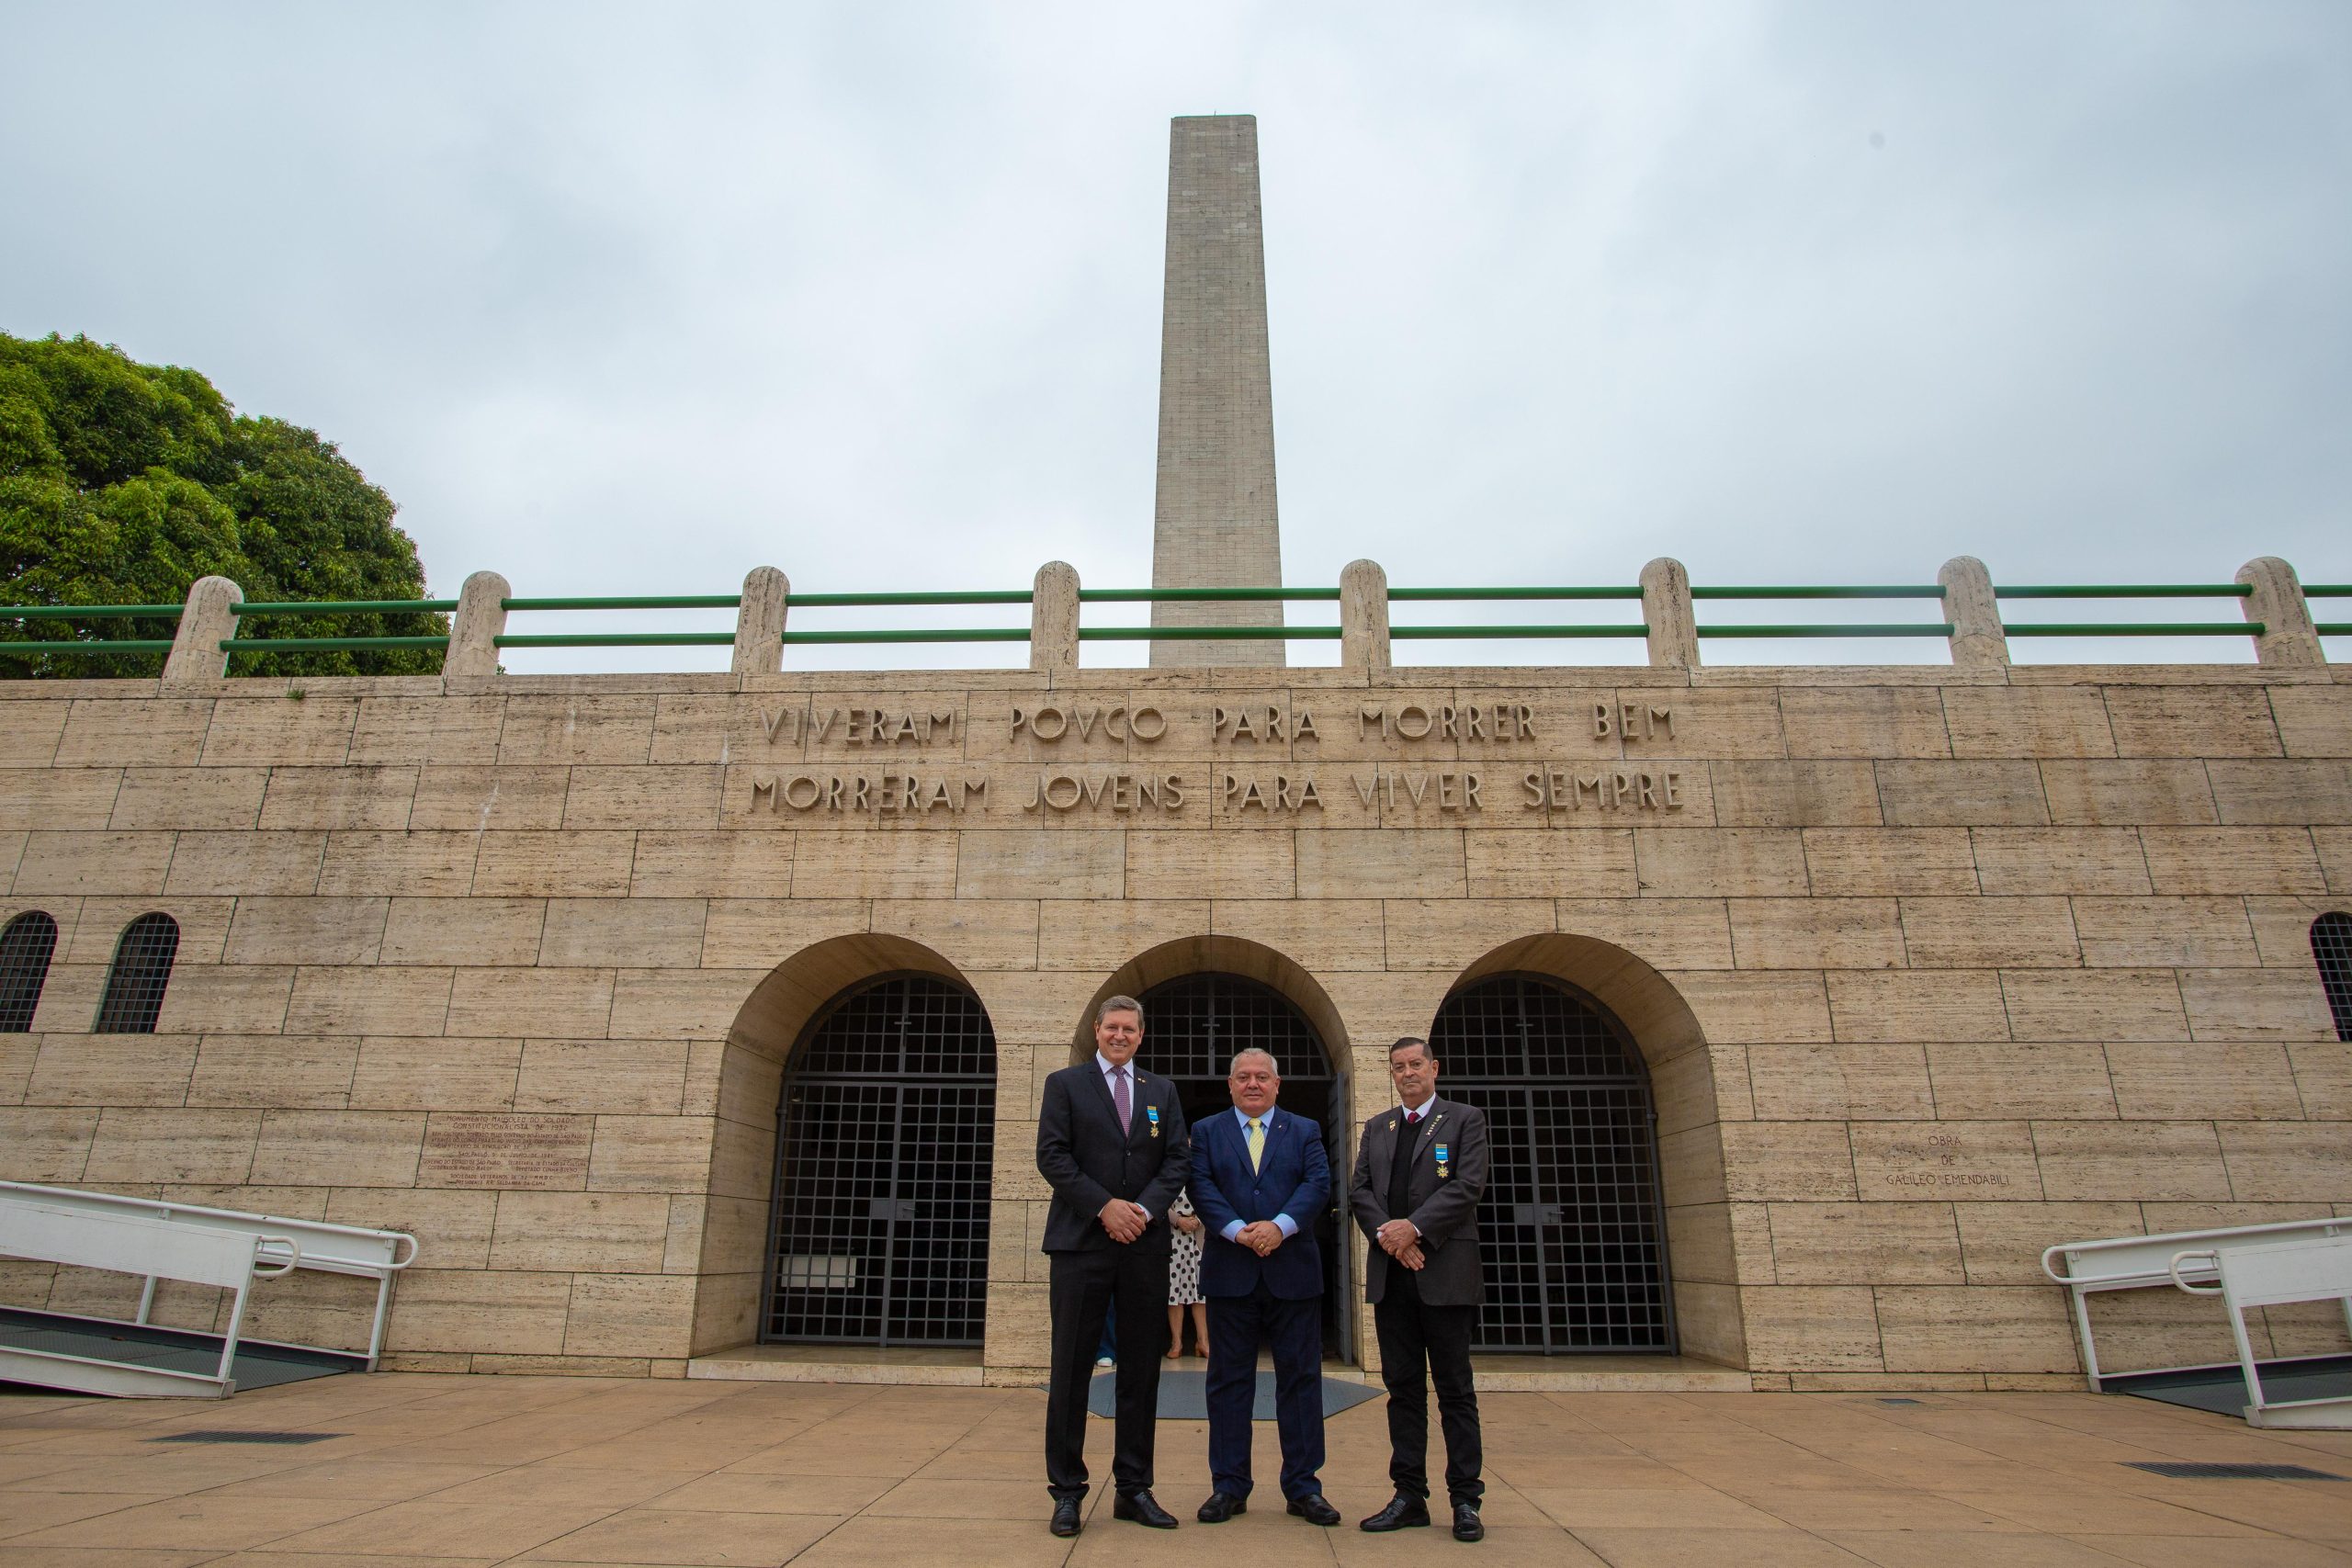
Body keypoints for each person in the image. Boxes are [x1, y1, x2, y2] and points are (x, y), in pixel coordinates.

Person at [1035, 995, 1190, 1538]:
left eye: (1130, 1029)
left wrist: (1143, 1210)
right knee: (1072, 1369)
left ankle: (1134, 1488)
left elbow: (1177, 1159)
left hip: (1144, 1248)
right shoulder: (1065, 1085)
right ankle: (1067, 1490)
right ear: (1096, 1031)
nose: (1120, 1036)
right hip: (1081, 1245)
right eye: (1111, 1027)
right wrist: (1105, 1207)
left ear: (1141, 1036)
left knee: (1141, 1371)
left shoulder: (1161, 1091)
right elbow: (1052, 1156)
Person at [1187, 1047, 1340, 1527]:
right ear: (1229, 1085)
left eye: (1262, 1077)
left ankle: (1303, 1486)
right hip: (1231, 1273)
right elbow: (1200, 1185)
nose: (1253, 1084)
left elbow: (1318, 1183)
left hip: (1292, 1272)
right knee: (1229, 1383)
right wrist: (1237, 1230)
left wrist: (1280, 1226)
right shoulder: (1206, 1131)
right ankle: (1228, 1486)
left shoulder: (1306, 1129)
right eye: (1243, 1077)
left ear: (1278, 1084)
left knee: (1299, 1381)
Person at [1347, 1036, 1490, 1543]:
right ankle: (1408, 1494)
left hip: (1445, 1274)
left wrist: (1415, 1230)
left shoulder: (1464, 1119)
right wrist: (1391, 1235)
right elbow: (1359, 1190)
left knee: (1454, 1390)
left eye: (1415, 1065)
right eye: (1398, 1067)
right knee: (1403, 1390)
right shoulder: (1378, 1128)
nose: (1407, 1073)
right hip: (1394, 1278)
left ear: (1434, 1067)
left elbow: (1467, 1186)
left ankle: (1465, 1499)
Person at [1166, 1190, 1207, 1361]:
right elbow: (1160, 1201)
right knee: (1173, 1290)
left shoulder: (1200, 1168)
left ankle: (1203, 1341)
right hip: (1173, 1236)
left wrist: (1198, 1220)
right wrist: (1178, 1220)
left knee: (1201, 1289)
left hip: (1198, 1235)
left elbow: (1211, 1198)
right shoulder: (1169, 1169)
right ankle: (1177, 1343)